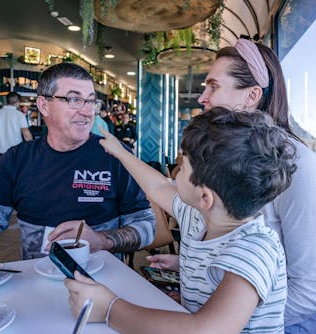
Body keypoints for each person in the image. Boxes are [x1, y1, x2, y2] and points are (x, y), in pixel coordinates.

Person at [66, 108, 296, 333]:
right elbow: (158, 186)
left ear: (205, 197)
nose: (174, 173)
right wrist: (119, 151)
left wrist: (109, 309)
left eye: (182, 167)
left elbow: (207, 330)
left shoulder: (255, 249)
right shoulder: (199, 217)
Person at [0, 62, 155, 273]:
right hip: (35, 280)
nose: (87, 111)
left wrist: (103, 240)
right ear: (44, 104)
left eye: (91, 100)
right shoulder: (17, 159)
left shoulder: (115, 154)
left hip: (105, 281)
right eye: (73, 99)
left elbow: (146, 226)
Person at [191, 37, 316, 333]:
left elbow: (309, 291)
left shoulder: (300, 167)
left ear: (252, 95)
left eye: (213, 86)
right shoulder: (227, 156)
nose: (202, 98)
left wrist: (228, 319)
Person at [0, 92, 33, 161]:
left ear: (6, 101)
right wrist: (31, 147)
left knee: (1, 171)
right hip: (15, 153)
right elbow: (26, 134)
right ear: (17, 102)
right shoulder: (19, 115)